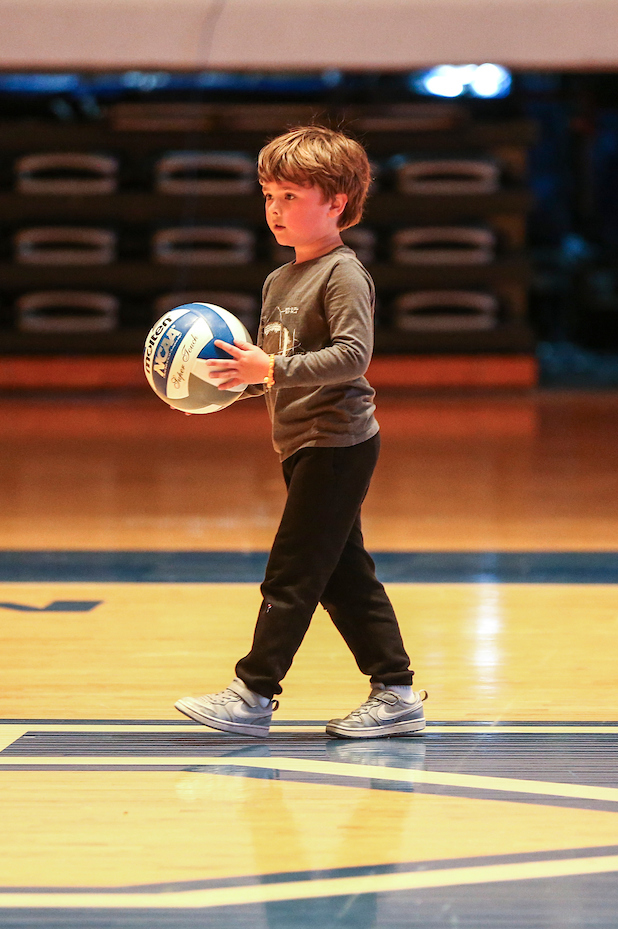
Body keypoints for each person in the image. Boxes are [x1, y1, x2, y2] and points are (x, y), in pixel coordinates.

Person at [174, 125, 426, 740]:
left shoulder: (343, 274)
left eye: (290, 196)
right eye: (269, 196)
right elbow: (277, 363)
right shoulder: (279, 280)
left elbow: (352, 356)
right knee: (343, 576)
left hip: (337, 441)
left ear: (336, 202)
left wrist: (270, 370)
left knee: (292, 572)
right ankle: (396, 694)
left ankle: (253, 693)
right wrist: (231, 383)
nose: (275, 209)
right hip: (301, 443)